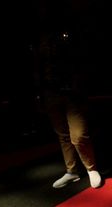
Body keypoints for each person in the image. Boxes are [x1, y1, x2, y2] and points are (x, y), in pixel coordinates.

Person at [35, 0, 102, 188]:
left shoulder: (72, 32)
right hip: (50, 90)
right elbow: (38, 64)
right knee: (63, 134)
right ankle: (72, 170)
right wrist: (40, 91)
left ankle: (91, 168)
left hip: (71, 91)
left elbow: (83, 60)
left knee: (78, 134)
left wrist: (78, 84)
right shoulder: (41, 36)